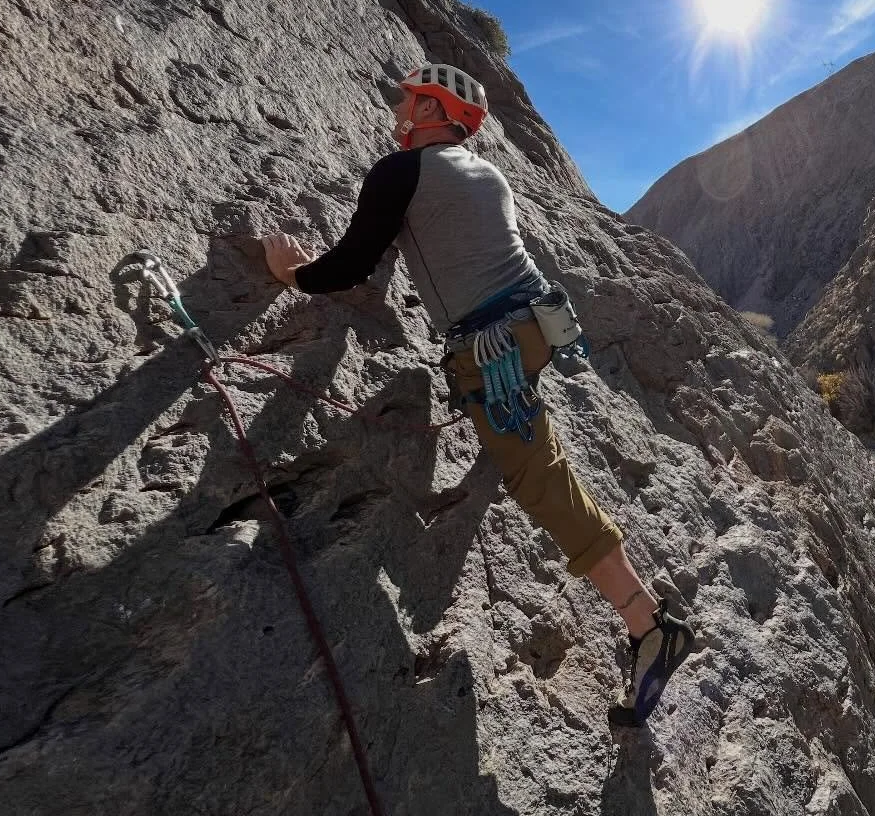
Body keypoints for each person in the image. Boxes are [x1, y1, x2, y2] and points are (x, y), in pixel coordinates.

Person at [259, 63, 694, 726]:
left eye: (408, 100)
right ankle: (507, 434)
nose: (398, 110)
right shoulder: (485, 174)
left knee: (539, 478)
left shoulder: (399, 172)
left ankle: (650, 626)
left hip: (492, 349)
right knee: (513, 428)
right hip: (537, 326)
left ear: (433, 110)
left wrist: (289, 274)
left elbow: (351, 265)